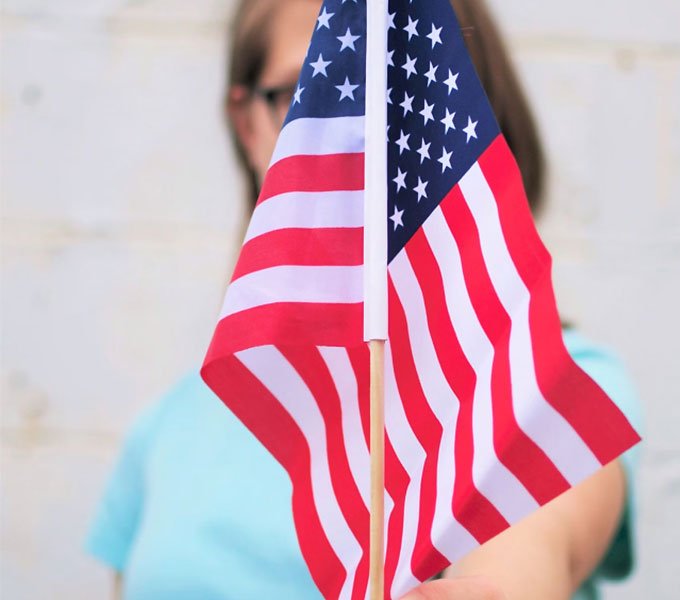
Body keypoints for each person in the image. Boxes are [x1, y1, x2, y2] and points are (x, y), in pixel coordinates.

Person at [84, 0, 645, 598]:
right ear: (249, 126)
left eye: (398, 93)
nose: (363, 135)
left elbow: (526, 555)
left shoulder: (551, 384)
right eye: (315, 92)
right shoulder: (168, 426)